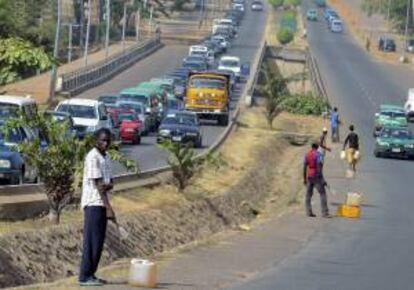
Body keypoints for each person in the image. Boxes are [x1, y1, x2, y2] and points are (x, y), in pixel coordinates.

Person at [79, 128, 115, 286]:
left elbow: (111, 182)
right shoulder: (92, 157)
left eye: (108, 140)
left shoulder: (106, 157)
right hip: (93, 203)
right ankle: (84, 276)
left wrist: (108, 187)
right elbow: (100, 186)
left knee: (99, 242)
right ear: (96, 140)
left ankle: (92, 274)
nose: (105, 143)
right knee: (91, 242)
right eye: (102, 140)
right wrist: (108, 207)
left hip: (102, 203)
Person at [303, 142, 331, 218]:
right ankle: (325, 213)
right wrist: (322, 179)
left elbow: (305, 167)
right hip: (317, 176)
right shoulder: (319, 155)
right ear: (317, 147)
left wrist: (304, 179)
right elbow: (319, 167)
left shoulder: (307, 154)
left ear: (312, 147)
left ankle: (308, 212)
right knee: (323, 194)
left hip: (309, 176)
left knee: (308, 195)